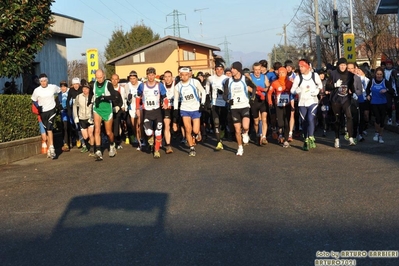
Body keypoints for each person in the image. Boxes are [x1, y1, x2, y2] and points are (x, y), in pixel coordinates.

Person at [223, 61, 257, 156]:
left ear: (238, 69)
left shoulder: (245, 79)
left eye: (233, 69)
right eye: (231, 68)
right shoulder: (228, 81)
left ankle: (245, 133)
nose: (231, 70)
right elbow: (224, 95)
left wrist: (252, 97)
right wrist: (228, 101)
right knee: (237, 130)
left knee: (245, 126)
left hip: (245, 106)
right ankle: (240, 147)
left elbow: (254, 87)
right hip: (234, 108)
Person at [136, 67, 168, 158]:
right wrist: (138, 109)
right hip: (147, 112)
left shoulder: (159, 85)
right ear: (147, 76)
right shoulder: (142, 85)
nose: (151, 77)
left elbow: (165, 97)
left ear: (155, 75)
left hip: (157, 111)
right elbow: (138, 97)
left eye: (152, 75)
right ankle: (150, 137)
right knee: (149, 132)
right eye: (149, 75)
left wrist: (165, 104)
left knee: (158, 132)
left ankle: (156, 150)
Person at [174, 67, 206, 156]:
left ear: (189, 75)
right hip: (185, 109)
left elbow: (203, 92)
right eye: (182, 75)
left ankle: (196, 133)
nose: (184, 77)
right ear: (180, 75)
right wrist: (176, 109)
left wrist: (202, 103)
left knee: (195, 130)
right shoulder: (177, 86)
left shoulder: (194, 82)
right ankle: (191, 148)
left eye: (186, 75)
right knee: (188, 129)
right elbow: (176, 99)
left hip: (195, 108)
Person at [290, 59, 322, 151]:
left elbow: (320, 85)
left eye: (302, 66)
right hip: (302, 102)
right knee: (304, 122)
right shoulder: (298, 78)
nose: (300, 68)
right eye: (299, 66)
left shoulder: (314, 75)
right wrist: (296, 91)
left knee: (310, 118)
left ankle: (311, 137)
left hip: (313, 101)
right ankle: (306, 139)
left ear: (308, 66)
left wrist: (317, 91)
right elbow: (292, 90)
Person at [325, 58, 356, 148]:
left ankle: (350, 138)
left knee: (349, 116)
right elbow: (327, 86)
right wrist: (335, 85)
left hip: (346, 99)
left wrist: (353, 92)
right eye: (341, 65)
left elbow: (351, 85)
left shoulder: (350, 75)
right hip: (336, 99)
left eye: (344, 65)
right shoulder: (333, 73)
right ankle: (337, 138)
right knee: (337, 119)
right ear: (338, 65)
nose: (343, 67)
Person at [31, 73, 61, 159]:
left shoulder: (52, 87)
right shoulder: (37, 90)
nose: (43, 83)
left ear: (47, 80)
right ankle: (49, 149)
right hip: (43, 112)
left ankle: (52, 148)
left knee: (49, 127)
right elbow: (33, 100)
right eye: (42, 81)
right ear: (40, 82)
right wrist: (38, 106)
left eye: (45, 81)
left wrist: (58, 103)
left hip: (51, 110)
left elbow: (60, 92)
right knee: (47, 131)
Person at [92, 69, 120, 160]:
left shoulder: (108, 84)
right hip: (97, 109)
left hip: (107, 110)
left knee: (108, 132)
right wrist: (90, 101)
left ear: (103, 75)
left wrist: (103, 97)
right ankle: (98, 151)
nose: (99, 79)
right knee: (97, 130)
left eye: (100, 77)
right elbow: (91, 94)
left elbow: (114, 96)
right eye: (97, 77)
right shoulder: (94, 84)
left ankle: (112, 144)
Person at [366, 67, 392, 143]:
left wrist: (386, 90)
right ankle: (376, 133)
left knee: (382, 120)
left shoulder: (385, 82)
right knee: (377, 118)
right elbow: (368, 89)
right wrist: (368, 95)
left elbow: (392, 90)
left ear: (382, 75)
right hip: (374, 102)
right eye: (377, 74)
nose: (379, 76)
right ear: (375, 74)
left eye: (380, 74)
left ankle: (380, 136)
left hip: (383, 103)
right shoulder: (372, 81)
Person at [268, 67, 293, 148]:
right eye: (280, 73)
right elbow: (269, 93)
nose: (281, 74)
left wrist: (295, 99)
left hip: (287, 105)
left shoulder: (289, 83)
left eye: (283, 73)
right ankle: (280, 132)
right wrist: (270, 102)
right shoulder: (274, 83)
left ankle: (285, 140)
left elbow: (294, 93)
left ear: (286, 74)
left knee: (286, 123)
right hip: (278, 105)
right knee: (280, 123)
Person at [206, 63, 228, 150]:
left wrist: (223, 93)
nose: (219, 71)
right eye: (217, 69)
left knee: (223, 122)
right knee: (216, 122)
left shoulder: (227, 79)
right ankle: (219, 142)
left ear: (223, 70)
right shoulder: (210, 78)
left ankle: (222, 131)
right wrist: (207, 99)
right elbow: (207, 87)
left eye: (220, 69)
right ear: (215, 70)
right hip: (214, 103)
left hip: (224, 104)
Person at [250, 62, 270, 145]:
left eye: (259, 69)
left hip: (263, 100)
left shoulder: (264, 77)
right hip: (255, 100)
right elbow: (248, 88)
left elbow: (268, 87)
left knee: (264, 118)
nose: (257, 72)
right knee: (256, 121)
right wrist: (257, 91)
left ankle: (264, 137)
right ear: (253, 70)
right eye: (256, 70)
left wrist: (265, 89)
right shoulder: (250, 78)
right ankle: (258, 134)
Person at [73, 81, 95, 155]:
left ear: (89, 89)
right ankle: (89, 144)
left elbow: (95, 107)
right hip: (82, 118)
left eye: (86, 88)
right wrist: (75, 116)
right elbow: (74, 106)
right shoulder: (79, 97)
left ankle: (92, 149)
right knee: (85, 137)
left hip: (90, 118)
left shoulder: (93, 97)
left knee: (90, 134)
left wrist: (93, 117)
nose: (84, 90)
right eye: (83, 88)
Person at [126, 70, 143, 150]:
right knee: (134, 126)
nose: (132, 80)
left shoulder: (141, 84)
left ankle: (142, 140)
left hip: (139, 107)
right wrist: (128, 98)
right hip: (132, 108)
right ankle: (139, 140)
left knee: (140, 125)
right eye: (131, 78)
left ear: (137, 78)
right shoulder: (127, 85)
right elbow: (126, 96)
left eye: (134, 78)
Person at [162, 70, 176, 154]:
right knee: (166, 125)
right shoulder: (161, 86)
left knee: (175, 128)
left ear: (172, 77)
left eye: (169, 76)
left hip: (175, 108)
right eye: (165, 77)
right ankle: (168, 145)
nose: (167, 79)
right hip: (166, 109)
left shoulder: (176, 84)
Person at [110, 74, 125, 149]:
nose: (114, 81)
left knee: (116, 126)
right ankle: (111, 141)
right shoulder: (108, 89)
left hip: (118, 109)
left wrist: (120, 107)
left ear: (118, 80)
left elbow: (122, 100)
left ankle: (118, 142)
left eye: (116, 79)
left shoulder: (121, 89)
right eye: (113, 79)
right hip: (109, 110)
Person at [58, 81, 71, 152]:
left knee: (71, 127)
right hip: (63, 113)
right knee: (65, 127)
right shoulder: (59, 94)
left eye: (64, 86)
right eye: (61, 86)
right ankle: (66, 144)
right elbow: (57, 103)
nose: (63, 88)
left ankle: (74, 140)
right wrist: (59, 106)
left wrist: (68, 107)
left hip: (70, 112)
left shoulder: (69, 93)